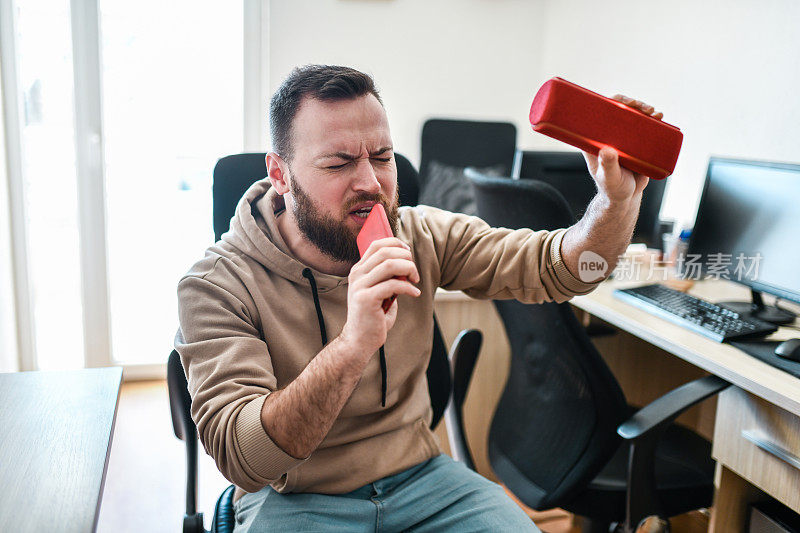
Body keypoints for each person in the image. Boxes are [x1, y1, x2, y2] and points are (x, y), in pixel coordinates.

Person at [175, 64, 660, 532]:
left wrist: (616, 203)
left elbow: (570, 273)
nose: (370, 182)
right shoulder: (215, 285)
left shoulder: (420, 234)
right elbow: (244, 458)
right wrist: (352, 346)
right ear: (279, 174)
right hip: (294, 497)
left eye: (382, 156)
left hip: (423, 480)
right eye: (338, 162)